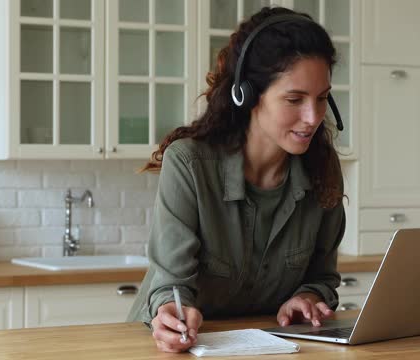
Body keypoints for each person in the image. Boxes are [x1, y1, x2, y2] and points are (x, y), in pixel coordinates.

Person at [127, 6, 347, 353]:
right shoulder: (189, 164)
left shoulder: (322, 168)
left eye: (322, 99)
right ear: (247, 94)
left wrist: (307, 297)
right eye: (294, 99)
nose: (313, 117)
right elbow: (171, 285)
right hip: (170, 349)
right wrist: (172, 313)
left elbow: (322, 277)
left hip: (269, 348)